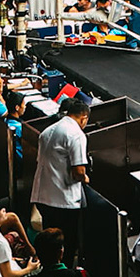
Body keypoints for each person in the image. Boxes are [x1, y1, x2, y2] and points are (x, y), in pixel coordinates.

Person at [32, 97, 91, 262]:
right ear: (84, 118)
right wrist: (85, 178)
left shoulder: (47, 131)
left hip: (42, 197)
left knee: (48, 243)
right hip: (63, 202)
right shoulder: (76, 134)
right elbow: (78, 172)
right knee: (67, 244)